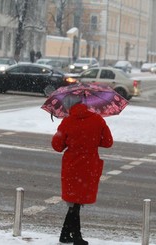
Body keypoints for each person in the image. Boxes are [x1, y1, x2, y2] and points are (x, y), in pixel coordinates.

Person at [51, 102, 113, 245]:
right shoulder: (97, 120)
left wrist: (64, 135)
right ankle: (72, 235)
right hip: (89, 165)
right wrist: (93, 139)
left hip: (72, 165)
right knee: (77, 202)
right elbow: (108, 142)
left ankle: (69, 235)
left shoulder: (68, 121)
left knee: (74, 201)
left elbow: (57, 146)